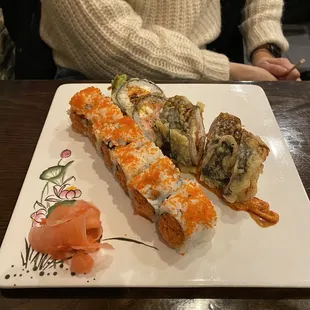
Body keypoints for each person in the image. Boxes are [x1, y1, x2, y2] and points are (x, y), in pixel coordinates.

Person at [40, 0, 300, 81]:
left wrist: (265, 49)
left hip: (207, 69)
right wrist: (233, 71)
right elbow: (108, 44)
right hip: (97, 77)